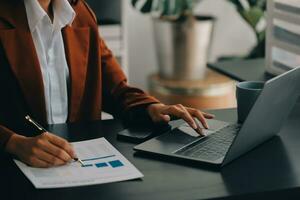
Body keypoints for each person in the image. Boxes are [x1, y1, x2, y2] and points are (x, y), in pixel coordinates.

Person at [0, 0, 214, 168]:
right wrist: (13, 143)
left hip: (75, 165)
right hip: (12, 171)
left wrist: (152, 107)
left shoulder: (80, 13)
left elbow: (115, 88)